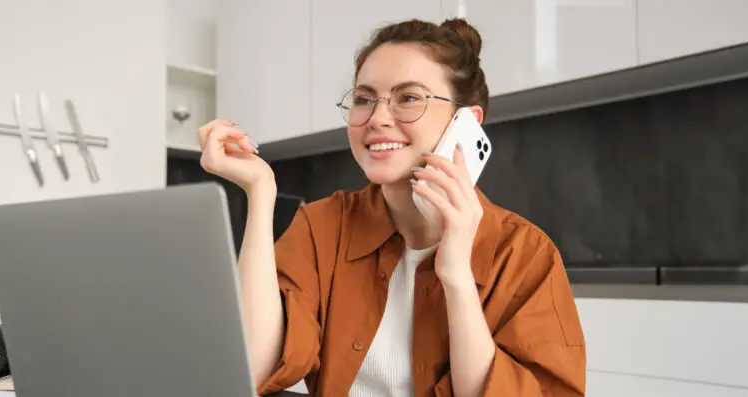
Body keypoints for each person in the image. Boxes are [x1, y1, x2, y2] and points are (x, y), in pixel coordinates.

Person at [197, 18, 586, 397]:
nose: (378, 118)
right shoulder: (321, 227)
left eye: (409, 98)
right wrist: (260, 193)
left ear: (466, 122)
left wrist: (456, 275)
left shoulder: (525, 254)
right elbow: (251, 368)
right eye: (364, 99)